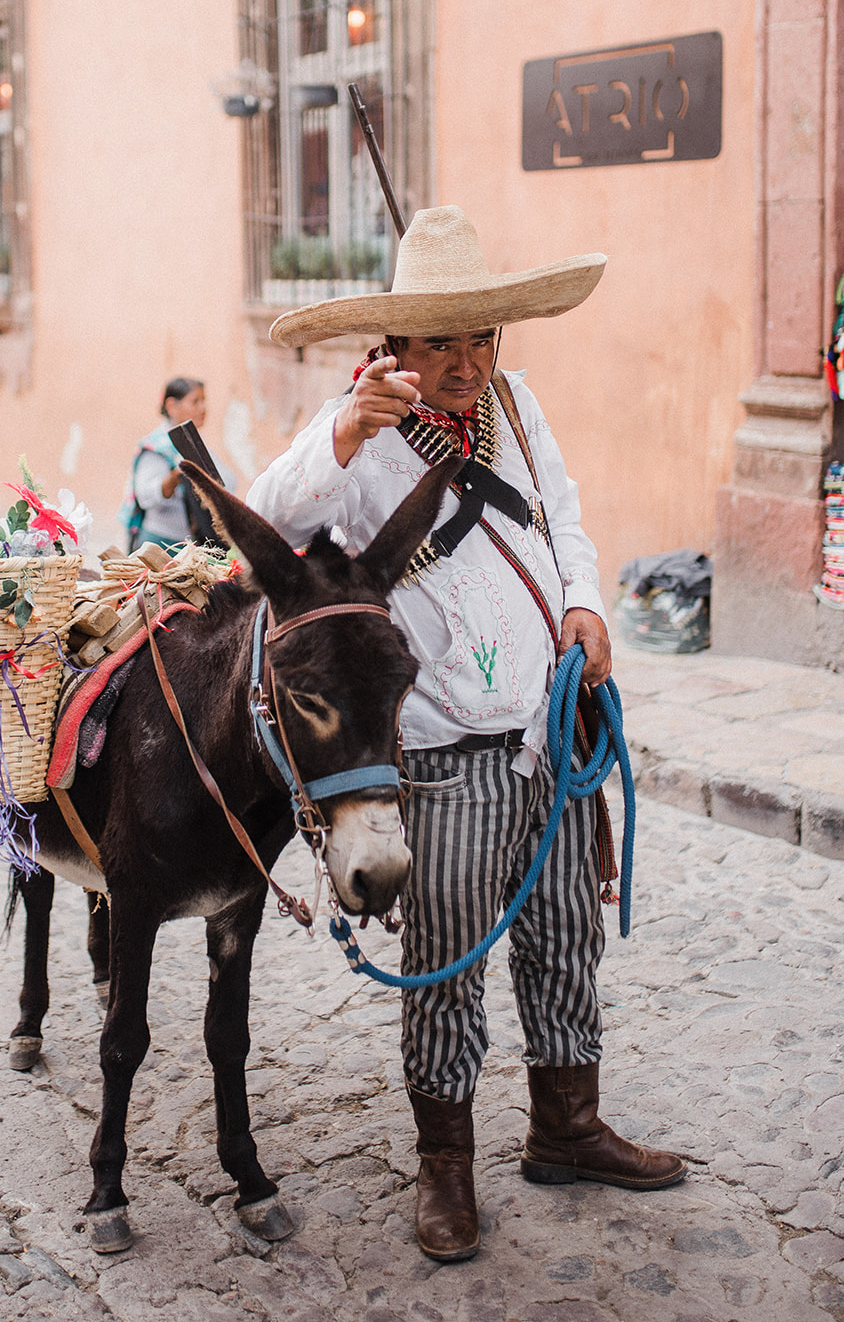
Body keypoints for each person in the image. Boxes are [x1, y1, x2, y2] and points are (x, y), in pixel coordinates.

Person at [247, 205, 685, 1264]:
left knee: (564, 936)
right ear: (393, 348)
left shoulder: (520, 409)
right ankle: (445, 1166)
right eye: (437, 341)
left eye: (477, 337)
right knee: (446, 961)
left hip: (550, 732)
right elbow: (264, 516)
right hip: (443, 751)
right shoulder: (352, 438)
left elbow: (567, 519)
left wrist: (585, 604)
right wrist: (346, 429)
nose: (462, 362)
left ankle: (566, 1124)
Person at [119, 377, 223, 552]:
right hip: (160, 544)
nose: (203, 408)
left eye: (204, 401)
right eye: (195, 402)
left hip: (192, 543)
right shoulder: (156, 446)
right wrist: (175, 477)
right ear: (172, 406)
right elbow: (146, 496)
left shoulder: (196, 443)